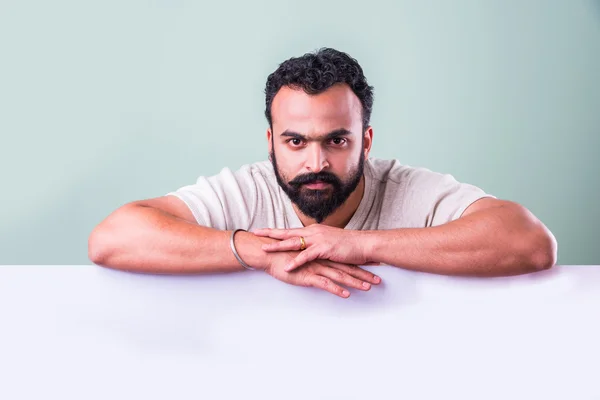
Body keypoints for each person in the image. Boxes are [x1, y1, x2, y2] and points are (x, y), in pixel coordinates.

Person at [88, 47, 558, 298]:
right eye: (295, 142)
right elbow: (111, 238)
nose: (316, 164)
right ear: (270, 142)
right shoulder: (246, 189)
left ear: (366, 142)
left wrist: (360, 245)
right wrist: (254, 252)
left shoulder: (406, 189)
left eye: (337, 140)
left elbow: (530, 243)